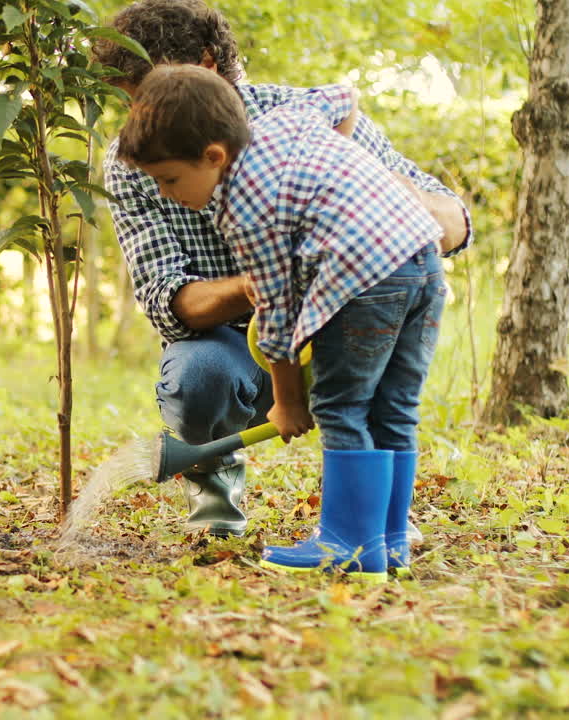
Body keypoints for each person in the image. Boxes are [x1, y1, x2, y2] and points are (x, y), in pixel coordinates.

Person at [92, 0, 470, 540]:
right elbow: (166, 300)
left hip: (353, 305)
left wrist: (335, 200)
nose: (138, 119)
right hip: (285, 326)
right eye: (130, 104)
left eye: (146, 97)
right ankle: (367, 532)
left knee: (350, 410)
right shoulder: (143, 156)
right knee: (205, 379)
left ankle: (354, 539)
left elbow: (451, 218)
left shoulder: (262, 175)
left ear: (205, 67)